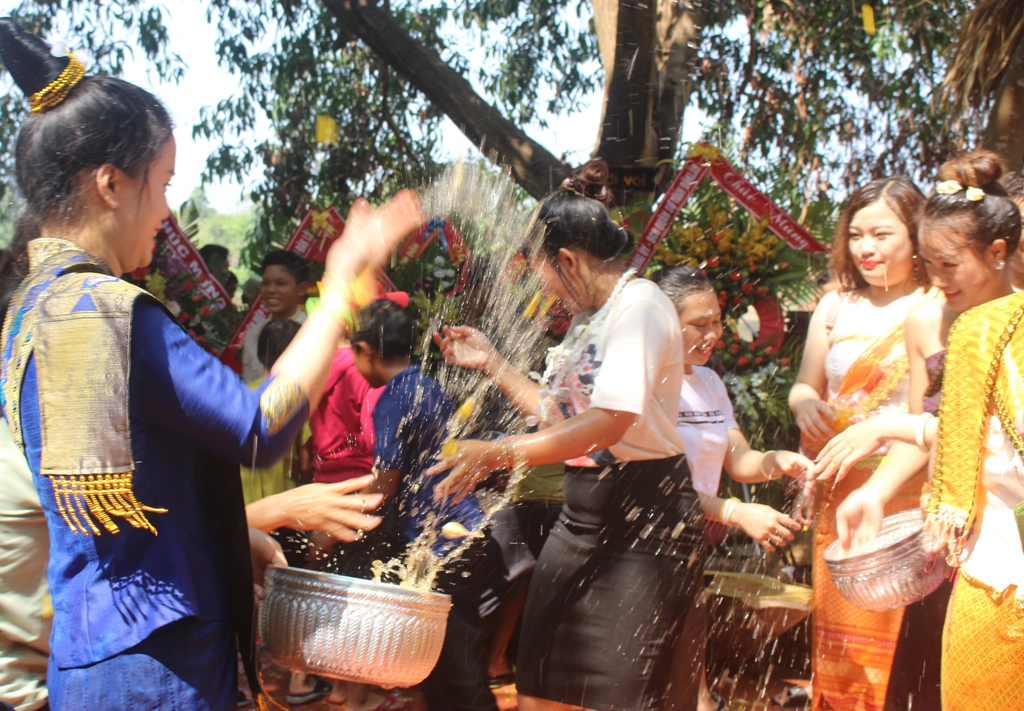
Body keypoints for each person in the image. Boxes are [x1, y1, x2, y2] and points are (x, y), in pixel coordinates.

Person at [0, 17, 421, 709]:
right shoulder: (110, 312)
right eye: (162, 183)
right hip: (161, 659)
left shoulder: (33, 309)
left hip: (88, 652)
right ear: (110, 183)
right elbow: (261, 426)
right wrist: (341, 282)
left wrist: (232, 535)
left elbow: (131, 498)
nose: (166, 212)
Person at [432, 160, 706, 711]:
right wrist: (494, 364)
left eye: (542, 272)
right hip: (581, 514)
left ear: (568, 260)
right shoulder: (593, 318)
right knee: (541, 685)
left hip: (643, 520)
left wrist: (501, 454)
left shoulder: (642, 307)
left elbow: (609, 423)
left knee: (609, 694)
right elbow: (563, 417)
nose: (544, 289)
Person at [829, 153, 1023, 711]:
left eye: (949, 264)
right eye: (929, 263)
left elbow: (956, 433)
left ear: (998, 252)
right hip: (950, 532)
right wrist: (876, 491)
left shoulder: (1009, 324)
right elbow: (931, 435)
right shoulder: (927, 319)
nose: (936, 280)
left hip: (1002, 531)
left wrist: (891, 424)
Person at [786, 176, 931, 711]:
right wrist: (805, 405)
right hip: (840, 491)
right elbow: (806, 383)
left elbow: (929, 418)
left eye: (882, 234)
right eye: (856, 235)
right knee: (840, 632)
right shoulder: (835, 307)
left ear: (917, 236)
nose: (866, 248)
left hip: (908, 490)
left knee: (903, 641)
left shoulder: (936, 307)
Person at [655, 265, 814, 711]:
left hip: (695, 533)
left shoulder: (708, 381)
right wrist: (735, 512)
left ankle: (702, 700)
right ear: (665, 322)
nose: (712, 335)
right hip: (649, 536)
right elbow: (659, 487)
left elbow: (738, 459)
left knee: (688, 632)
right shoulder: (650, 384)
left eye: (716, 323)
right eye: (698, 325)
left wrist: (775, 463)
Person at [240, 319, 311, 504]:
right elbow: (305, 462)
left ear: (260, 352)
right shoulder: (297, 400)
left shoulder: (238, 395)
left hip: (242, 508)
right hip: (282, 507)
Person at [242, 249, 311, 382]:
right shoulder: (253, 333)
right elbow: (250, 384)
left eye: (281, 283)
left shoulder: (314, 329)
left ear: (301, 288)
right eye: (266, 283)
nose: (271, 290)